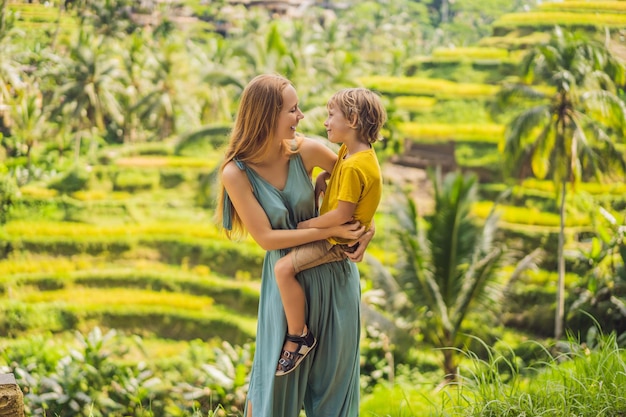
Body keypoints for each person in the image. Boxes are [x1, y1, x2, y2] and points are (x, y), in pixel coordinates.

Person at [216, 74, 375, 417]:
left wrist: (366, 229)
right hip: (286, 289)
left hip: (335, 281)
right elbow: (267, 239)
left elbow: (359, 191)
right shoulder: (236, 173)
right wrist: (328, 230)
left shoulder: (310, 149)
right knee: (273, 400)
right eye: (293, 109)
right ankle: (297, 335)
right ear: (266, 115)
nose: (301, 116)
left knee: (335, 402)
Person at [273, 87, 386, 376]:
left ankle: (299, 336)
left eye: (331, 115)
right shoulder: (356, 153)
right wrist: (326, 175)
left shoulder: (351, 166)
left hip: (336, 240)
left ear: (353, 119)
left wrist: (308, 224)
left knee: (283, 269)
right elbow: (352, 183)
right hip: (340, 233)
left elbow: (341, 215)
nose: (325, 122)